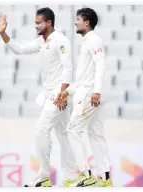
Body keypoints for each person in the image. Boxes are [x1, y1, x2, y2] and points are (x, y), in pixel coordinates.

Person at [0, 7, 77, 187]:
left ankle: (43, 176)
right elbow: (19, 49)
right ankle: (72, 176)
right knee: (64, 135)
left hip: (58, 94)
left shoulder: (61, 40)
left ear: (48, 23)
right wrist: (3, 34)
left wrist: (63, 93)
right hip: (51, 93)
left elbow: (68, 68)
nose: (35, 26)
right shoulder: (42, 42)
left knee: (42, 130)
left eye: (38, 22)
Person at [54, 8, 113, 187]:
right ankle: (104, 177)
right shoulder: (87, 42)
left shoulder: (94, 40)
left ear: (87, 22)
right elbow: (82, 77)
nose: (75, 22)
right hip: (87, 90)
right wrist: (66, 92)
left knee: (72, 130)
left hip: (90, 94)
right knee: (95, 133)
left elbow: (101, 64)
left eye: (78, 19)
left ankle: (86, 175)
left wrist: (97, 91)